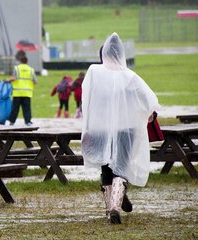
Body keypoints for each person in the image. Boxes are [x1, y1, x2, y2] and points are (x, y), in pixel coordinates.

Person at [81, 32, 160, 224]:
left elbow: (86, 99)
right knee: (121, 167)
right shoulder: (130, 77)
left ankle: (110, 209)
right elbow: (149, 101)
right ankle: (117, 205)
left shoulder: (94, 72)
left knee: (106, 167)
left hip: (100, 128)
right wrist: (149, 115)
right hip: (126, 129)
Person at [6, 54, 37, 126]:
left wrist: (8, 80)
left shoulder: (17, 68)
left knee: (15, 108)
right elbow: (35, 81)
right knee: (27, 109)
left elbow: (14, 78)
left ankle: (12, 122)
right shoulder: (31, 70)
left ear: (20, 61)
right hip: (27, 93)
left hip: (17, 92)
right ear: (27, 62)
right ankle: (28, 121)